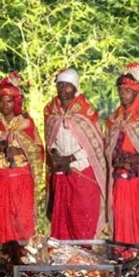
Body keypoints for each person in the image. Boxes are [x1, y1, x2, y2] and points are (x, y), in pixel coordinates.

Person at [44, 68, 108, 240]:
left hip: (83, 172)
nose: (63, 89)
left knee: (81, 221)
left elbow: (95, 146)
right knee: (62, 220)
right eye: (60, 85)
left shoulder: (86, 112)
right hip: (60, 172)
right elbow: (50, 140)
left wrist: (70, 159)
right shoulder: (51, 111)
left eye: (67, 86)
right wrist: (55, 154)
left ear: (75, 87)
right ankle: (61, 262)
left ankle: (82, 263)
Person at [0, 72, 44, 246]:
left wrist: (18, 149)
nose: (5, 105)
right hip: (3, 180)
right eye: (2, 101)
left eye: (9, 101)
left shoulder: (27, 123)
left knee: (23, 220)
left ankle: (25, 258)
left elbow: (37, 149)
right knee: (4, 223)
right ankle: (8, 258)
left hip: (22, 179)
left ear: (17, 102)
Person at [105, 63, 139, 247]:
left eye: (127, 90)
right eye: (121, 90)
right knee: (121, 214)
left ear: (136, 93)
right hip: (119, 175)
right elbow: (108, 148)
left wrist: (134, 159)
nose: (122, 94)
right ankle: (123, 257)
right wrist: (117, 159)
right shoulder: (113, 119)